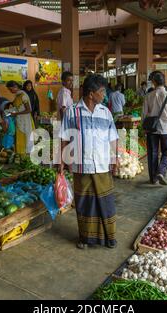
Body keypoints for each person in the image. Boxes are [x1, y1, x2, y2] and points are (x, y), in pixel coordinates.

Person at [59, 74, 119, 250]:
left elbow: (113, 136)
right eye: (102, 91)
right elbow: (64, 136)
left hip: (101, 164)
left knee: (105, 202)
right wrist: (62, 162)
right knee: (85, 203)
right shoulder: (72, 111)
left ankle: (110, 238)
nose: (105, 95)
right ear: (91, 94)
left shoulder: (105, 112)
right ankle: (85, 238)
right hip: (81, 165)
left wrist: (115, 158)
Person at [142, 71, 167, 186]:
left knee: (153, 153)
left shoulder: (148, 96)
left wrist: (144, 128)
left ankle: (153, 179)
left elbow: (144, 114)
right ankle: (161, 172)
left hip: (152, 129)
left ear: (154, 82)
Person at [6, 81, 35, 155]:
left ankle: (25, 156)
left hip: (25, 121)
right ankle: (21, 156)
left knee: (25, 139)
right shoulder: (18, 96)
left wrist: (16, 113)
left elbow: (29, 110)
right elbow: (18, 107)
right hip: (19, 120)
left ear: (15, 87)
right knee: (20, 138)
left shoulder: (23, 95)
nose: (10, 91)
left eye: (10, 89)